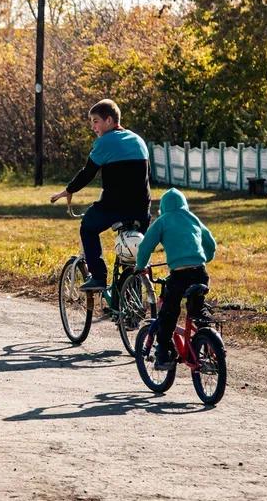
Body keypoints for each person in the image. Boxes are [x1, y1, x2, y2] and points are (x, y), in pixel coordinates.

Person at [49, 99, 151, 292]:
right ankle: (129, 305)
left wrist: (69, 190)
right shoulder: (138, 140)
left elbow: (87, 172)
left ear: (109, 120)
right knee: (132, 258)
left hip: (115, 207)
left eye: (96, 121)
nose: (93, 127)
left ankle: (98, 277)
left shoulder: (104, 142)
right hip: (141, 209)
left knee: (88, 227)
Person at [132, 187, 216, 370]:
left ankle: (163, 353)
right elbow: (210, 242)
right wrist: (205, 258)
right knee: (196, 311)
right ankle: (207, 342)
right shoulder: (192, 218)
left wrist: (140, 266)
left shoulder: (162, 221)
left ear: (163, 208)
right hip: (200, 272)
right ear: (184, 205)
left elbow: (145, 246)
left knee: (169, 313)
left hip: (179, 276)